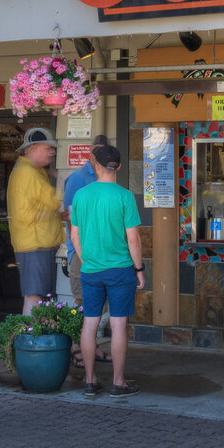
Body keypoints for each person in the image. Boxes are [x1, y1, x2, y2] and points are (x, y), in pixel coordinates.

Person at [70, 145, 145, 398]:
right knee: (118, 326)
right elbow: (133, 239)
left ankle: (90, 381)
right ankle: (118, 383)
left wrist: (86, 259)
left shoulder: (81, 195)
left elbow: (74, 234)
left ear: (95, 165)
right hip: (120, 270)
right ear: (119, 167)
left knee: (89, 324)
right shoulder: (125, 197)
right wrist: (139, 269)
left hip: (90, 270)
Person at [62, 134, 112, 368]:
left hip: (102, 252)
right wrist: (79, 252)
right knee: (82, 301)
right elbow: (71, 219)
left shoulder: (104, 176)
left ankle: (91, 347)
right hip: (82, 252)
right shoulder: (78, 178)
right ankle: (75, 346)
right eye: (98, 153)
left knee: (97, 303)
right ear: (90, 154)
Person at [7, 127, 65, 316]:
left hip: (36, 243)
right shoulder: (29, 173)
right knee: (34, 295)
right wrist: (64, 180)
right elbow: (55, 200)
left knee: (38, 295)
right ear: (32, 148)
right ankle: (31, 341)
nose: (52, 152)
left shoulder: (32, 170)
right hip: (35, 244)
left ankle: (34, 339)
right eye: (48, 148)